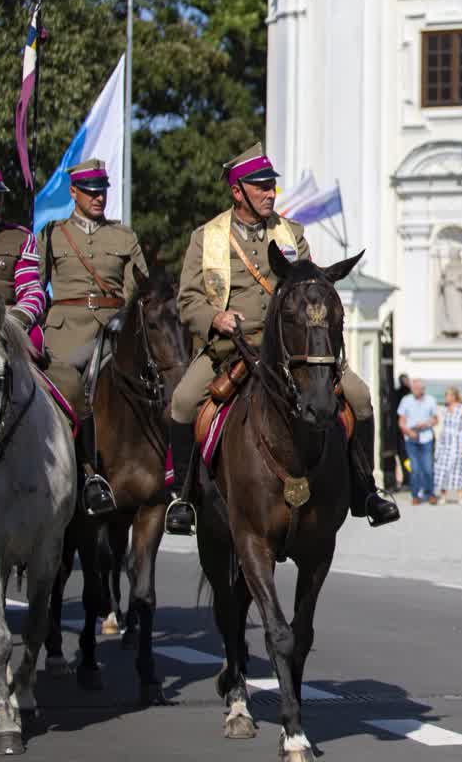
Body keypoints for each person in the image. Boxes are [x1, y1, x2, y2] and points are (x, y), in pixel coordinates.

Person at [164, 143, 400, 535]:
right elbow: (188, 298)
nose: (270, 193)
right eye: (260, 186)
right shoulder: (207, 237)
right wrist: (215, 317)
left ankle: (366, 490)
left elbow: (307, 284)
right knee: (184, 401)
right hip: (230, 346)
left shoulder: (292, 234)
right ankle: (183, 498)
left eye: (271, 186)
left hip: (292, 348)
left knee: (358, 396)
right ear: (237, 191)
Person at [37, 158, 149, 517]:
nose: (99, 197)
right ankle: (83, 473)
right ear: (73, 192)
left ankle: (167, 476)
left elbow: (139, 291)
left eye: (102, 190)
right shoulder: (52, 234)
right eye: (90, 191)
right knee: (65, 389)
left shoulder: (123, 236)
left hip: (114, 327)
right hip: (66, 331)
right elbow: (35, 289)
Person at [0, 159, 82, 420]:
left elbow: (33, 290)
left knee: (71, 384)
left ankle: (82, 455)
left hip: (8, 326)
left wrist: (14, 320)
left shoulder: (21, 237)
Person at [398, 376, 438, 505]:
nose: (414, 390)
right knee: (414, 468)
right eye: (413, 388)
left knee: (427, 467)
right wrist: (408, 432)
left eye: (417, 388)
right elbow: (401, 421)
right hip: (411, 438)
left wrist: (426, 424)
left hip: (426, 437)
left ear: (423, 389)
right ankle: (415, 495)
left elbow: (436, 419)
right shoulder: (406, 400)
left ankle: (430, 494)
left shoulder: (431, 400)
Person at [433, 386, 462, 504]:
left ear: (454, 396)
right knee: (442, 467)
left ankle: (461, 496)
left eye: (448, 395)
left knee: (458, 468)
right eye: (445, 395)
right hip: (445, 442)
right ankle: (443, 496)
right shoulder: (444, 409)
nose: (446, 398)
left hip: (457, 443)